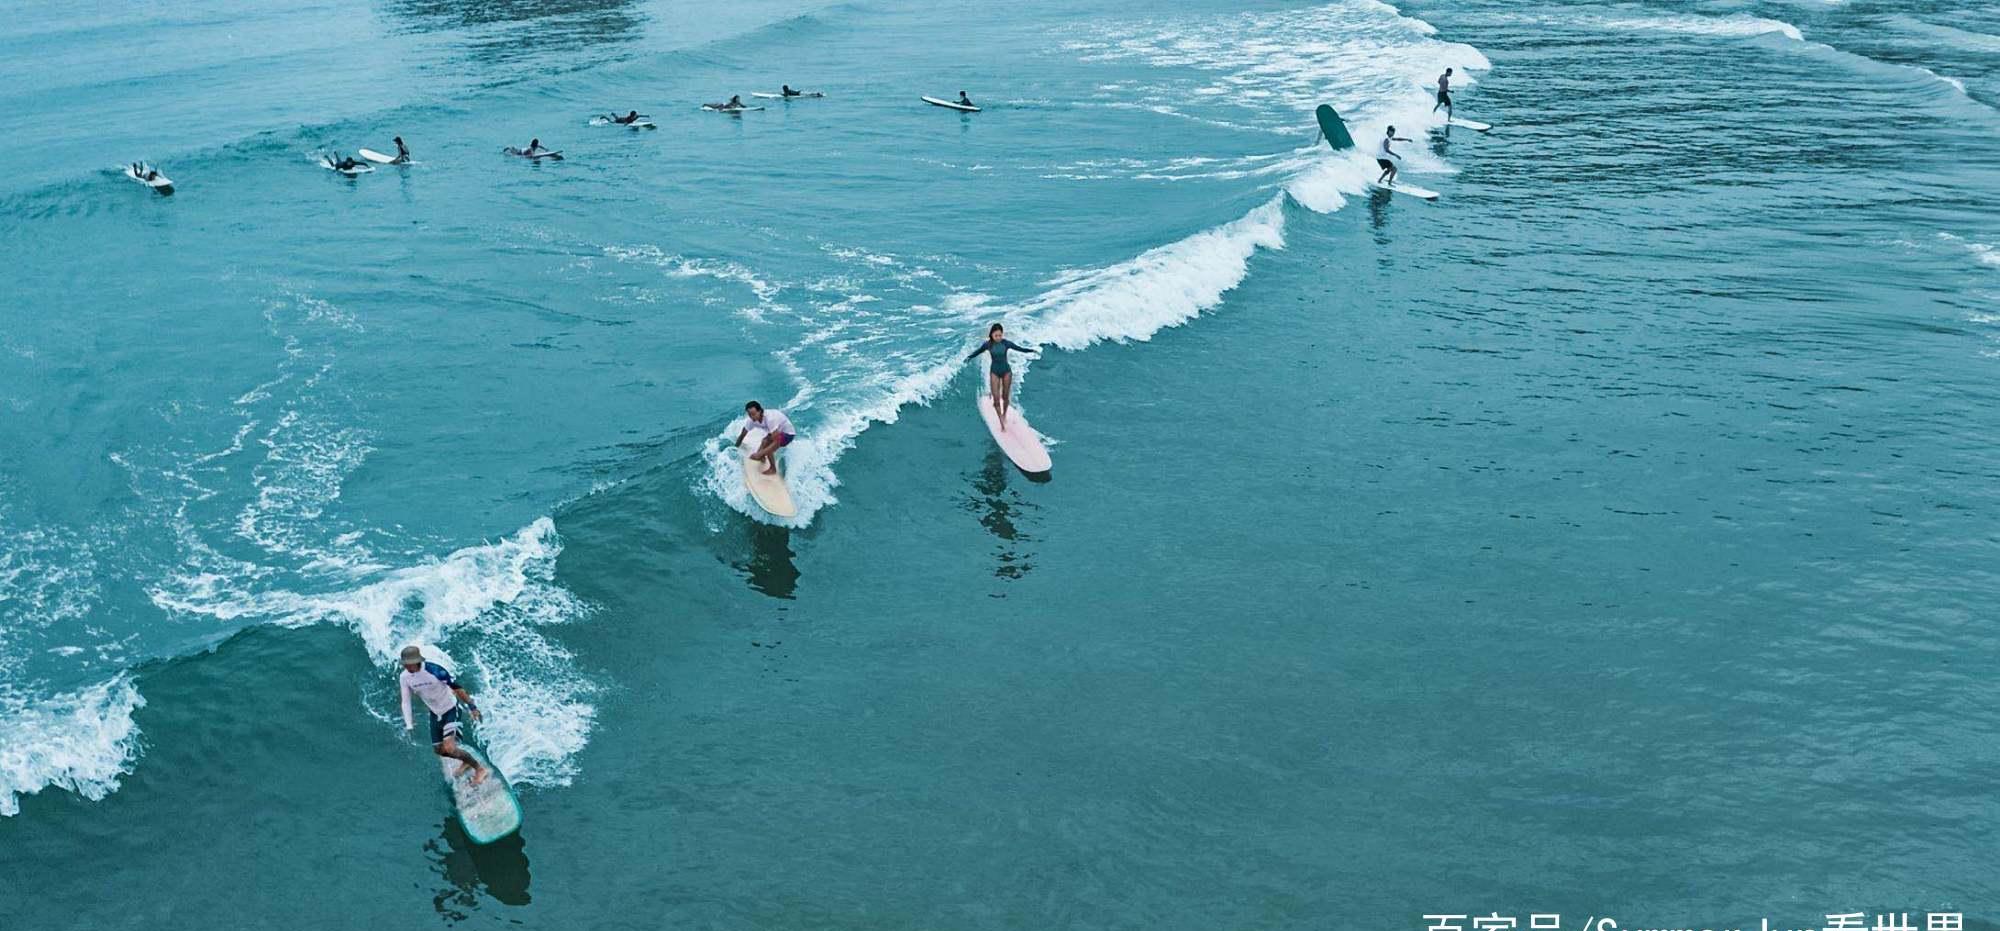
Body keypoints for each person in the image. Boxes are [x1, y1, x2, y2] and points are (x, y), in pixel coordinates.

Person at [398, 645, 487, 785]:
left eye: (408, 663)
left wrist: (472, 707)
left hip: (451, 709)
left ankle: (480, 769)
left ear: (416, 661)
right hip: (435, 713)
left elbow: (457, 688)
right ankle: (466, 761)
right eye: (404, 664)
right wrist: (409, 724)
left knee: (450, 747)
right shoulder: (404, 677)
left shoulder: (435, 671)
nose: (406, 667)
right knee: (440, 750)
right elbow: (405, 701)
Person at [965, 323, 1037, 428]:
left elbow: (1019, 348)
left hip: (1006, 371)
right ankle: (1001, 420)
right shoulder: (987, 345)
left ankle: (1004, 414)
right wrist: (968, 357)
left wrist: (1031, 350)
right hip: (994, 372)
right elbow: (977, 352)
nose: (998, 338)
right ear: (992, 335)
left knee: (1005, 397)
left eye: (1000, 335)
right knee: (996, 400)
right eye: (996, 336)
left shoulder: (1006, 343)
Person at [733, 401, 795, 475]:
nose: (752, 417)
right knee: (765, 441)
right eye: (749, 415)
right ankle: (762, 458)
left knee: (769, 446)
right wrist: (735, 449)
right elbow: (742, 435)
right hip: (778, 432)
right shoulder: (751, 421)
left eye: (753, 414)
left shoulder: (770, 419)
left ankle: (773, 469)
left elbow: (777, 442)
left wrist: (759, 453)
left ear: (760, 411)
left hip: (788, 434)